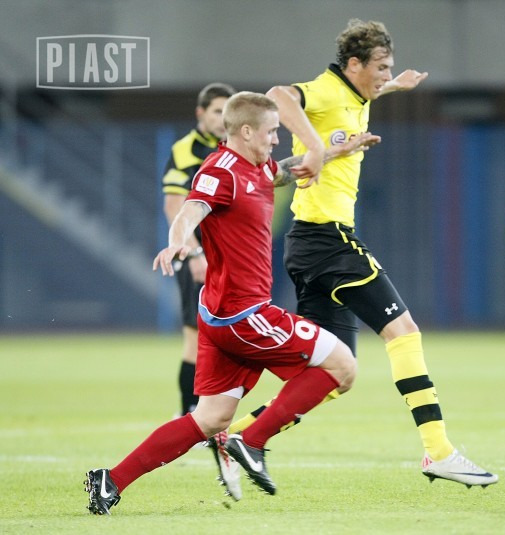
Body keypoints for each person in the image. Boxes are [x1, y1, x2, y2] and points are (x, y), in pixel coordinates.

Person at [225, 19, 499, 489]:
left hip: (307, 245)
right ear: (353, 64)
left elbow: (357, 97)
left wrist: (393, 85)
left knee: (334, 372)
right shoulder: (327, 91)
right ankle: (439, 452)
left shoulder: (356, 95)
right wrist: (315, 146)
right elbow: (278, 95)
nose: (385, 74)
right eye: (381, 67)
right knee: (404, 333)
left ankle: (239, 437)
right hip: (329, 240)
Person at [85, 91, 378, 515]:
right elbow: (191, 209)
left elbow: (283, 171)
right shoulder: (220, 170)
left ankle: (111, 481)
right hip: (244, 314)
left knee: (210, 419)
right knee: (343, 367)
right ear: (246, 131)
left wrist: (336, 151)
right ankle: (251, 440)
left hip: (221, 316)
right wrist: (179, 242)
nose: (276, 139)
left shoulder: (257, 167)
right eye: (272, 131)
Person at [160, 82, 242, 499]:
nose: (221, 119)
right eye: (215, 112)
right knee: (195, 338)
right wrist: (192, 251)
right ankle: (190, 415)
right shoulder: (185, 150)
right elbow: (175, 205)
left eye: (227, 112)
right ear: (200, 114)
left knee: (224, 339)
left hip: (229, 257)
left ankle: (207, 418)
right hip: (198, 257)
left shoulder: (235, 149)